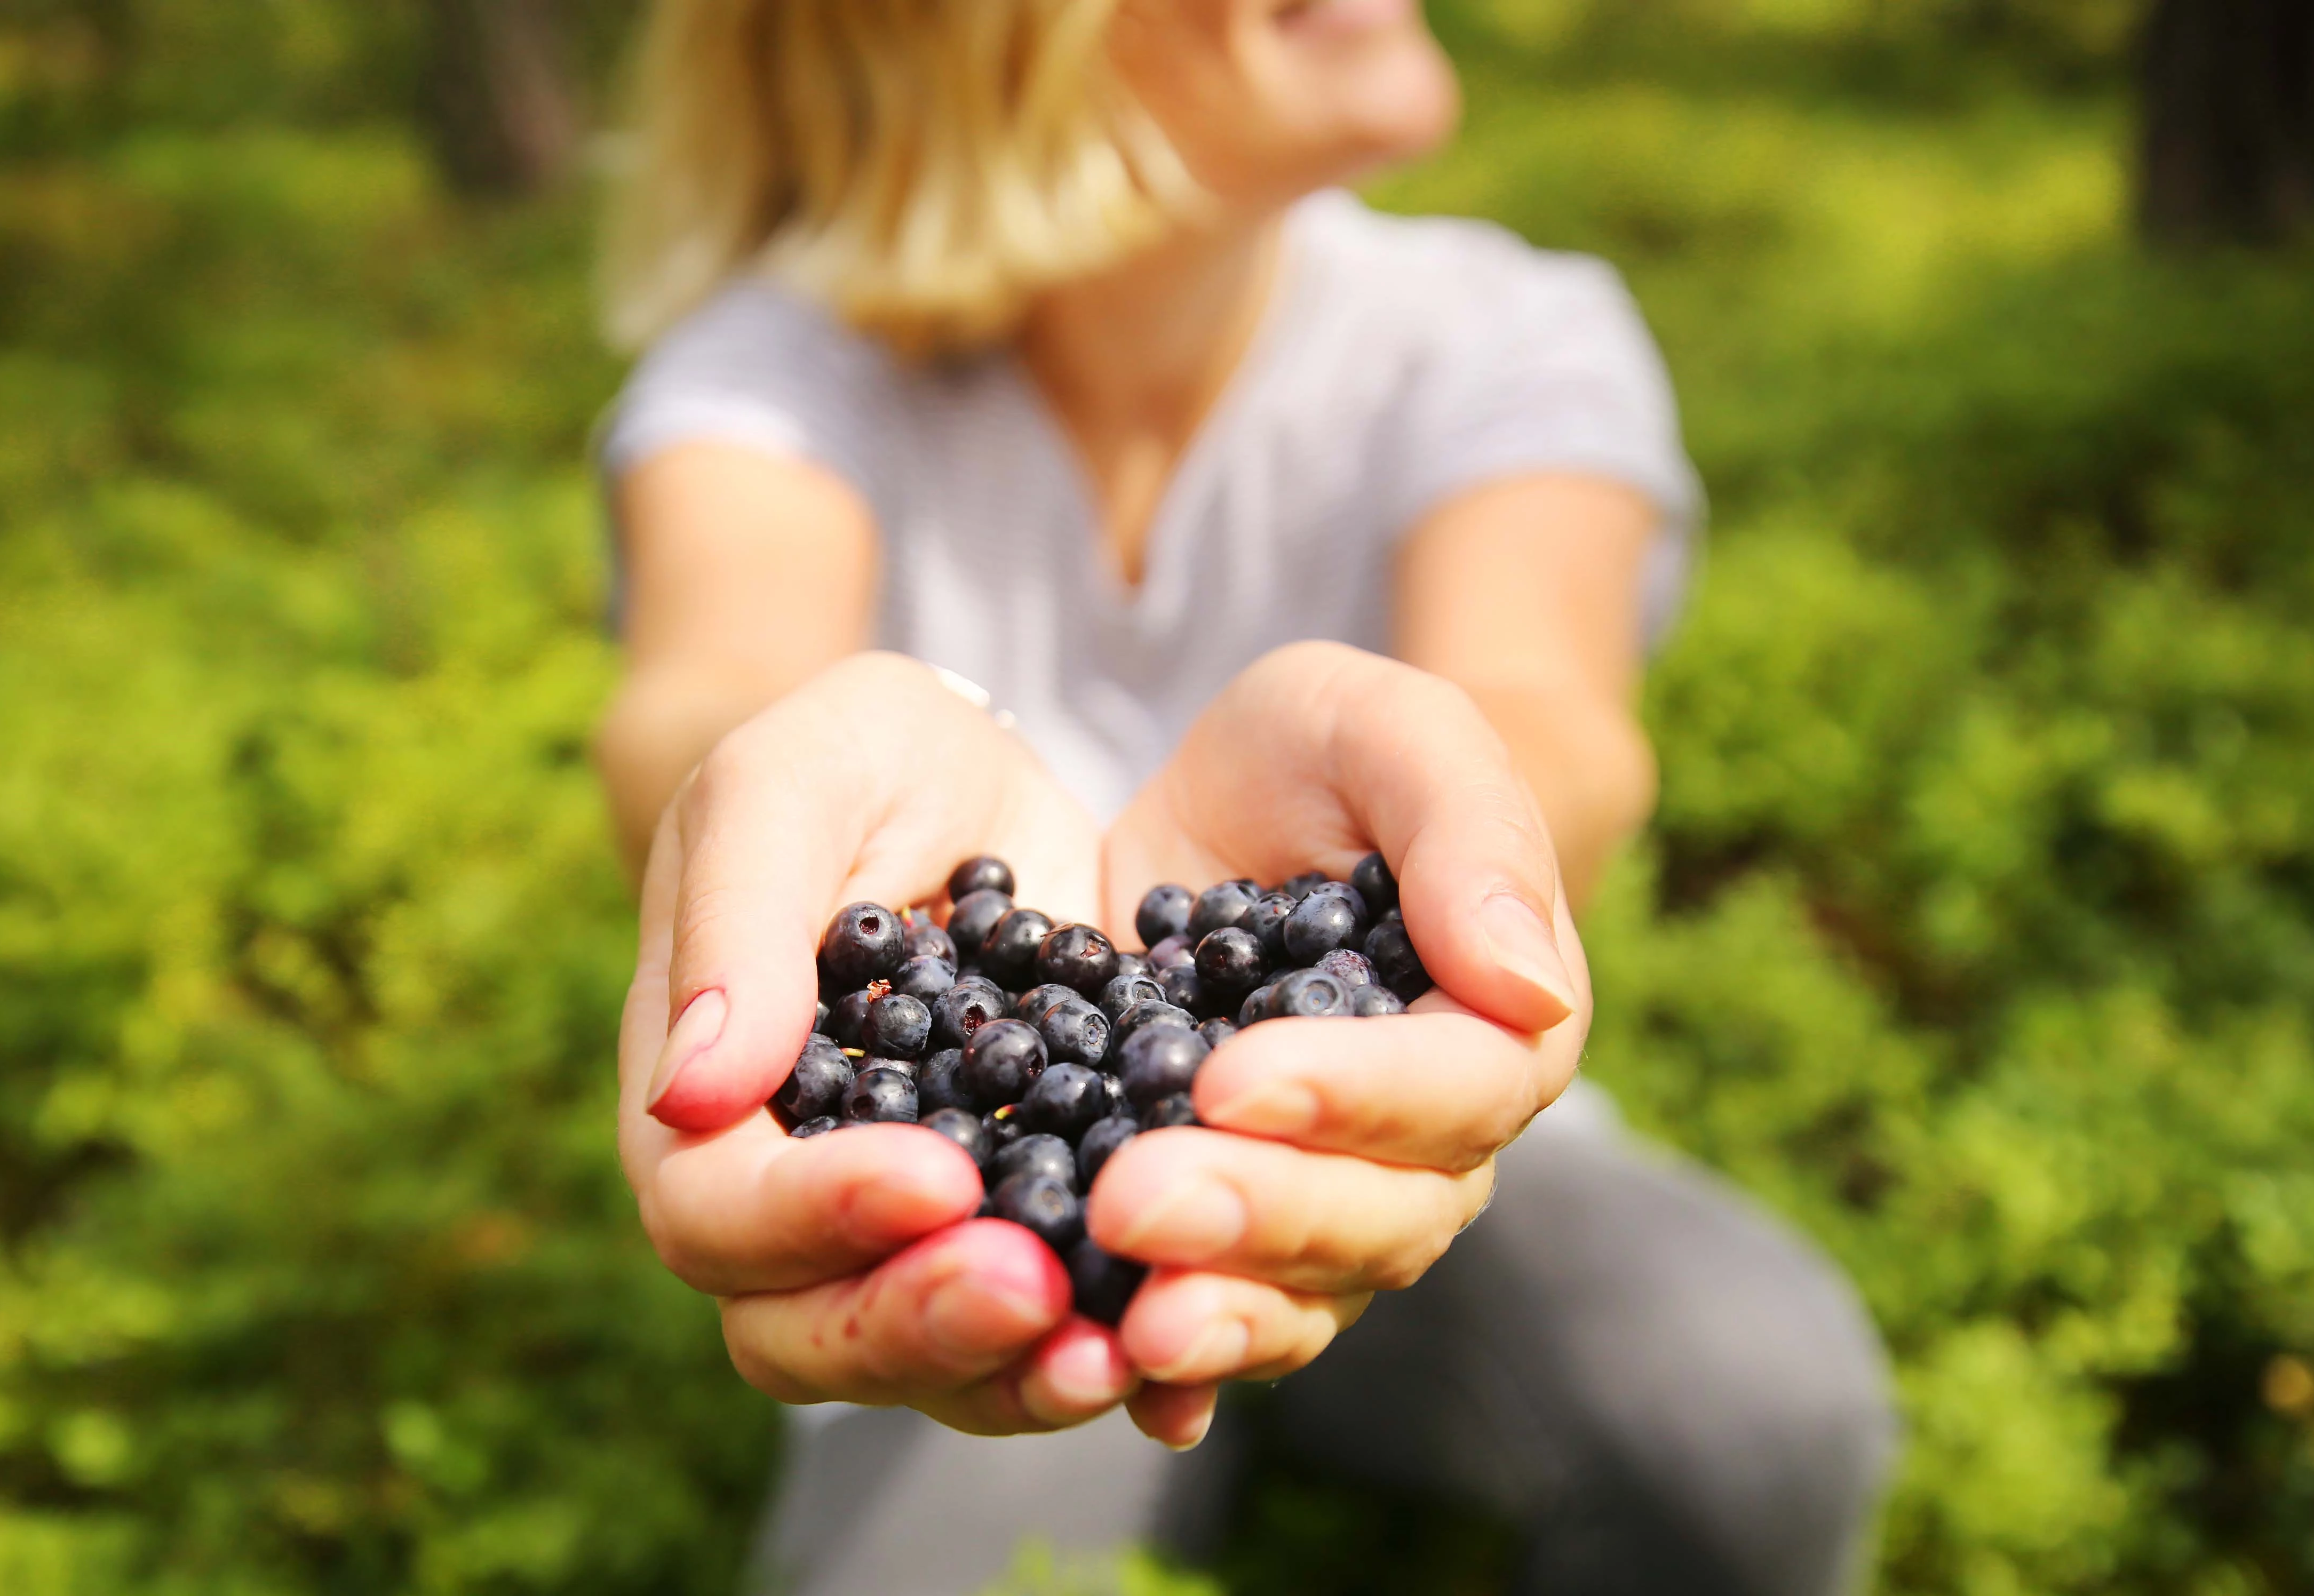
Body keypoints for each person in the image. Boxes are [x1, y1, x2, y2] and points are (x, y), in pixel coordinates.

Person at [594, 1, 1899, 1591]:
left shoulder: (1500, 333)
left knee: (1755, 1419)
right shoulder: (779, 377)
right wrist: (754, 782)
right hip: (969, 1216)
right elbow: (712, 682)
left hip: (1388, 1118)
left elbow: (1549, 711)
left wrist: (1448, 813)